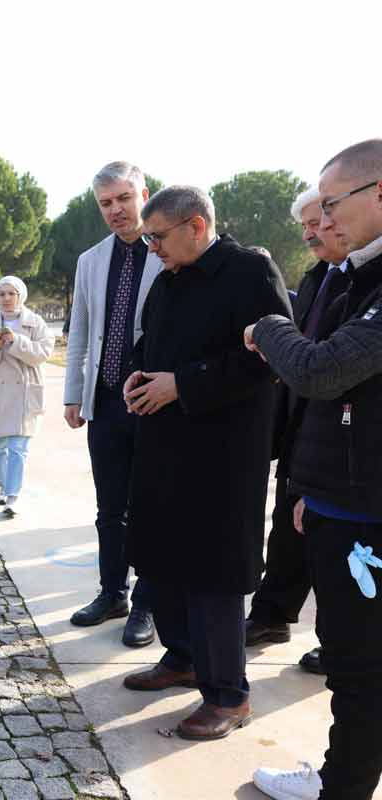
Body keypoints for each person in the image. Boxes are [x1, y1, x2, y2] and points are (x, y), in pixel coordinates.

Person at [120, 186, 290, 741]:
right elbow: (152, 344)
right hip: (166, 448)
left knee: (214, 575)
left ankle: (229, 695)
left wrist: (183, 385)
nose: (152, 249)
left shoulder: (250, 273)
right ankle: (182, 657)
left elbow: (265, 362)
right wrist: (141, 373)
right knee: (164, 559)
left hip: (222, 457)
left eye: (158, 237)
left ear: (195, 226)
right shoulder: (168, 280)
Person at [248, 139, 382, 800]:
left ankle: (343, 789)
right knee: (354, 664)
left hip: (368, 518)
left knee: (361, 671)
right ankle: (343, 776)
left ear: (378, 192)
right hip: (342, 502)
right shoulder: (352, 273)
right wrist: (312, 490)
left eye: (332, 203)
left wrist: (270, 326)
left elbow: (322, 371)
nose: (322, 220)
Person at [246, 186, 351, 675]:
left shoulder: (363, 287)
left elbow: (325, 362)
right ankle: (273, 615)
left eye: (321, 219)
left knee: (336, 547)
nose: (313, 232)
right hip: (300, 425)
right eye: (306, 225)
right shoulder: (315, 280)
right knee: (287, 526)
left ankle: (341, 645)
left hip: (346, 439)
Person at [63, 161, 164, 647]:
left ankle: (146, 601)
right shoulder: (91, 260)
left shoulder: (168, 252)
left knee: (149, 505)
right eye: (106, 203)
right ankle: (112, 592)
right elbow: (79, 330)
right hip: (103, 401)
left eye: (124, 198)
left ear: (144, 194)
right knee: (110, 508)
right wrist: (72, 396)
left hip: (152, 402)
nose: (116, 210)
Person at [0, 275, 54, 517]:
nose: (6, 298)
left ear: (20, 295)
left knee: (18, 446)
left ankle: (13, 496)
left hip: (25, 392)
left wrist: (16, 341)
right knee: (1, 445)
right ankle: (3, 487)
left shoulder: (35, 323)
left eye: (11, 293)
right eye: (1, 294)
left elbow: (43, 353)